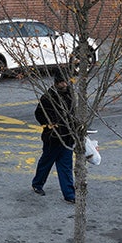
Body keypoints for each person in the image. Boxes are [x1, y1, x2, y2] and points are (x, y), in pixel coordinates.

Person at [33, 68, 77, 204]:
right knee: (46, 162)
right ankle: (37, 183)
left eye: (66, 82)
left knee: (66, 166)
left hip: (67, 136)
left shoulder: (70, 94)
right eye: (62, 82)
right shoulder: (48, 97)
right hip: (53, 138)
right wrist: (49, 124)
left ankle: (69, 195)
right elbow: (38, 113)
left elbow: (73, 113)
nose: (65, 85)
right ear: (57, 82)